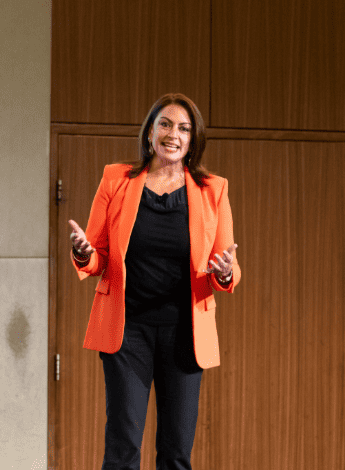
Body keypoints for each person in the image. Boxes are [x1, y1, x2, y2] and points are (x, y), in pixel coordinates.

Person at [68, 92, 241, 470]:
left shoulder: (214, 189)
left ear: (193, 139)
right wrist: (83, 253)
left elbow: (228, 263)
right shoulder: (116, 180)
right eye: (164, 124)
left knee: (176, 451)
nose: (173, 134)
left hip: (185, 332)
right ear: (149, 133)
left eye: (183, 128)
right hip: (127, 331)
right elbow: (97, 257)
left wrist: (226, 271)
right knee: (123, 446)